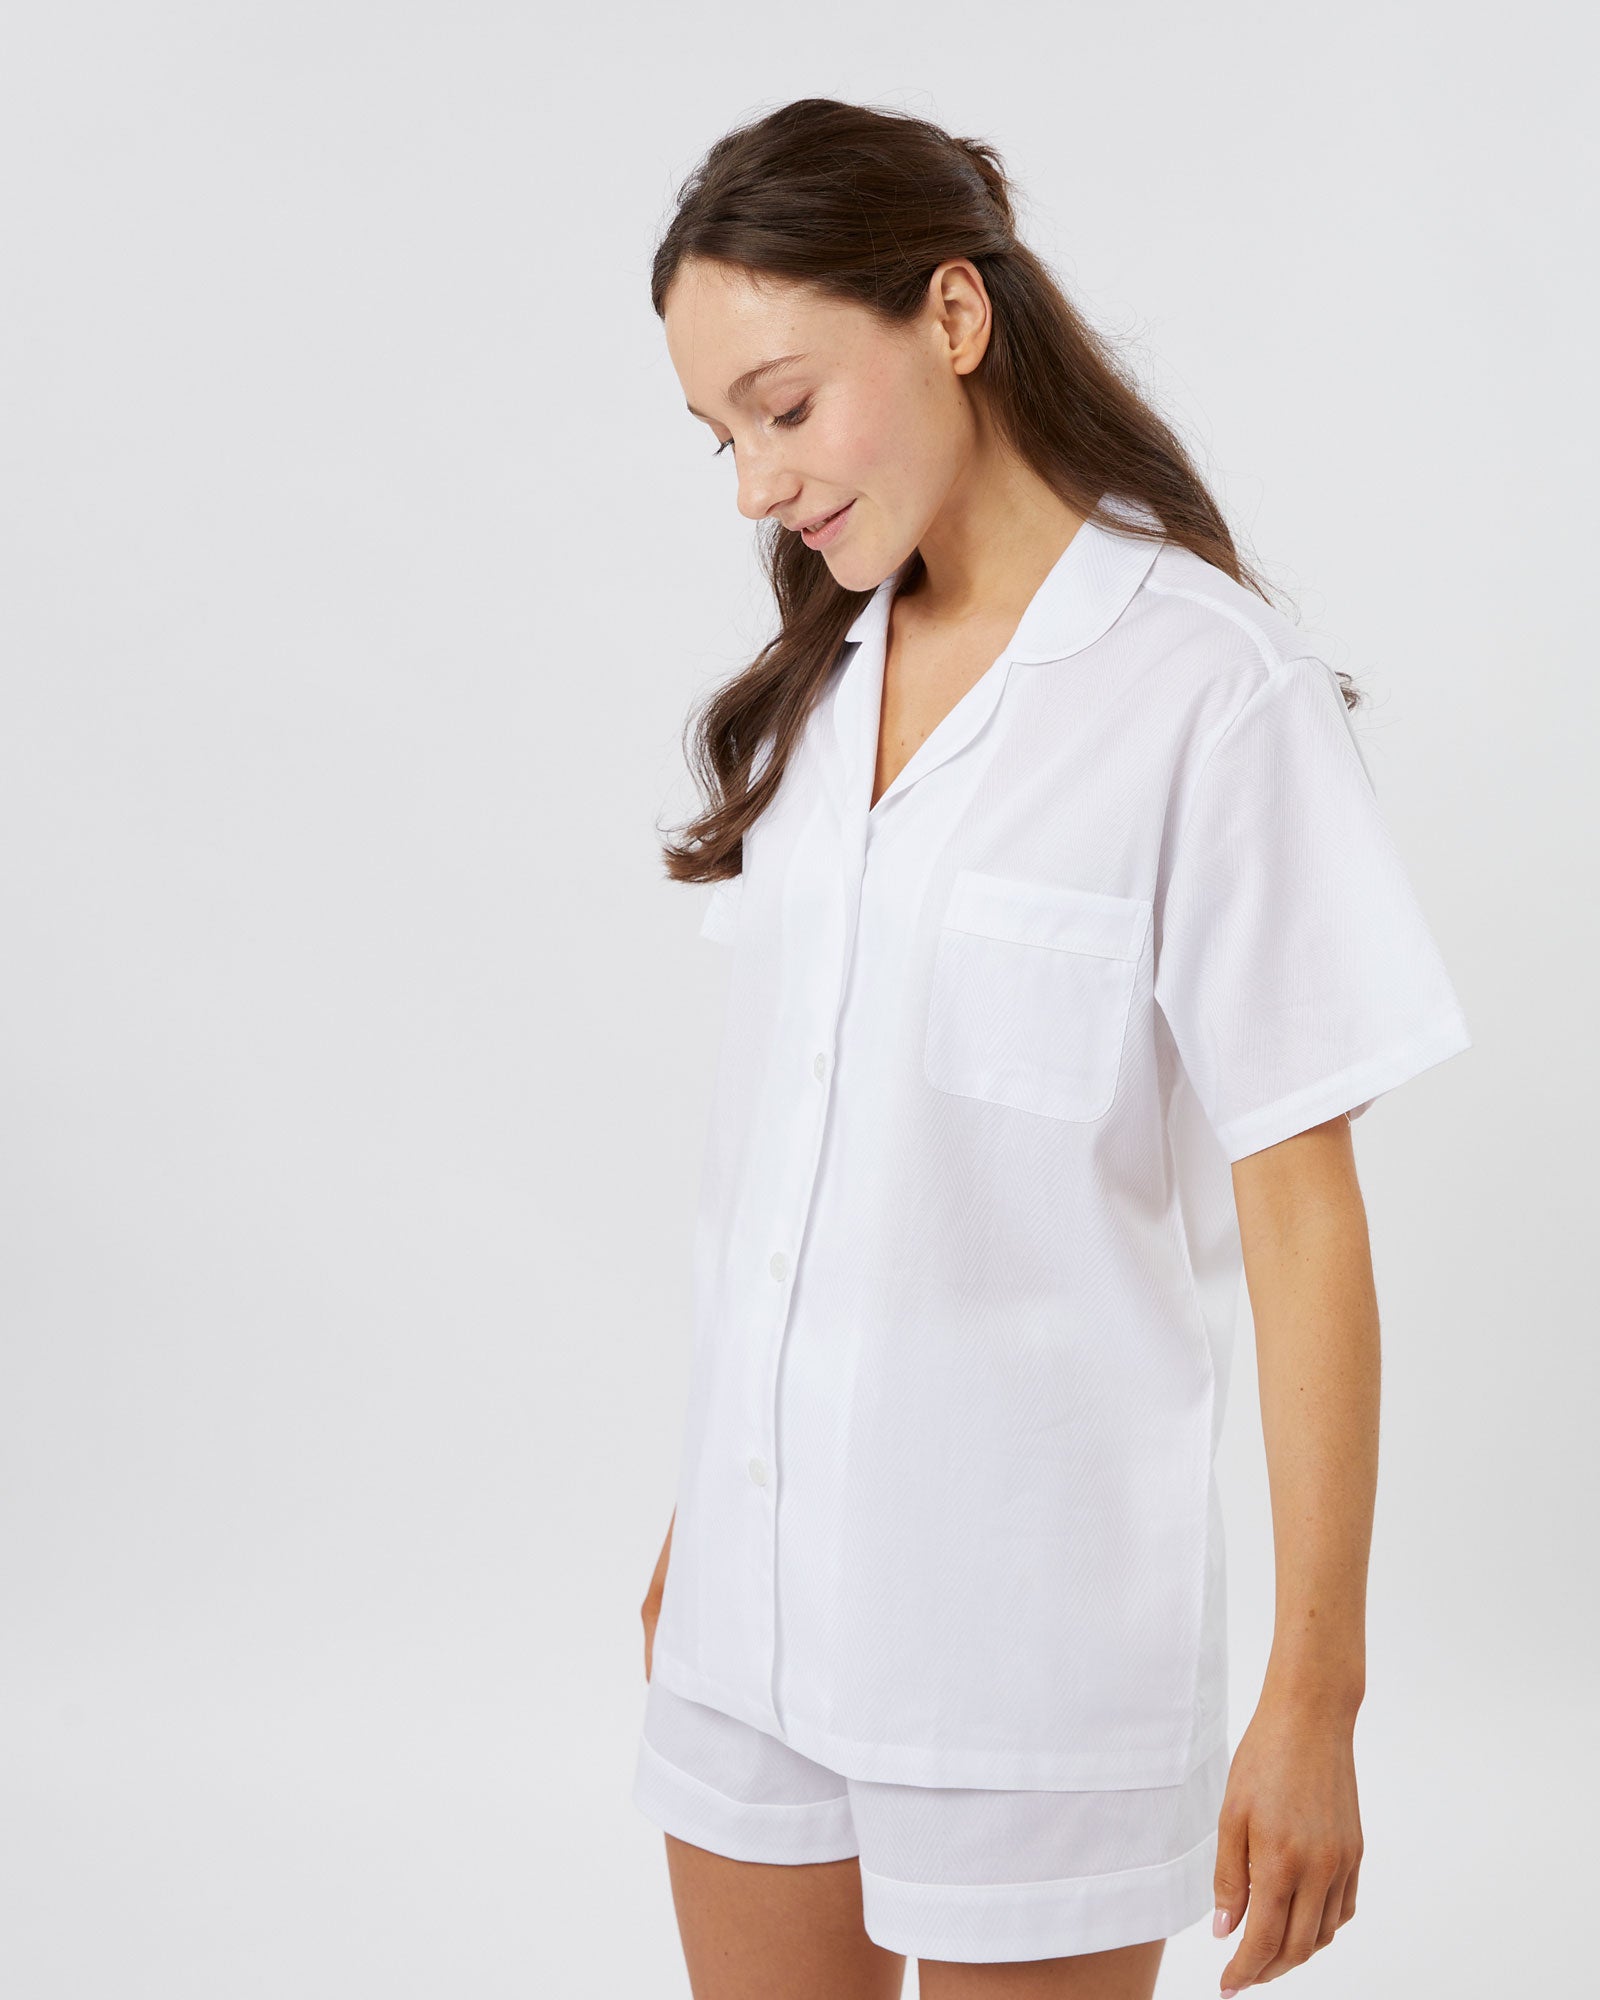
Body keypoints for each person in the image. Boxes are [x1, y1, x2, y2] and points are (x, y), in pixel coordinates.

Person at [630, 98, 1472, 2000]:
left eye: (782, 405)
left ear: (952, 314)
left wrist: (1315, 1695)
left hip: (1024, 1647)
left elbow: (1303, 1222)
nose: (755, 485)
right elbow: (797, 1166)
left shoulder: (1209, 695)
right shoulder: (823, 691)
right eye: (718, 437)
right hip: (743, 1630)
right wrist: (706, 1517)